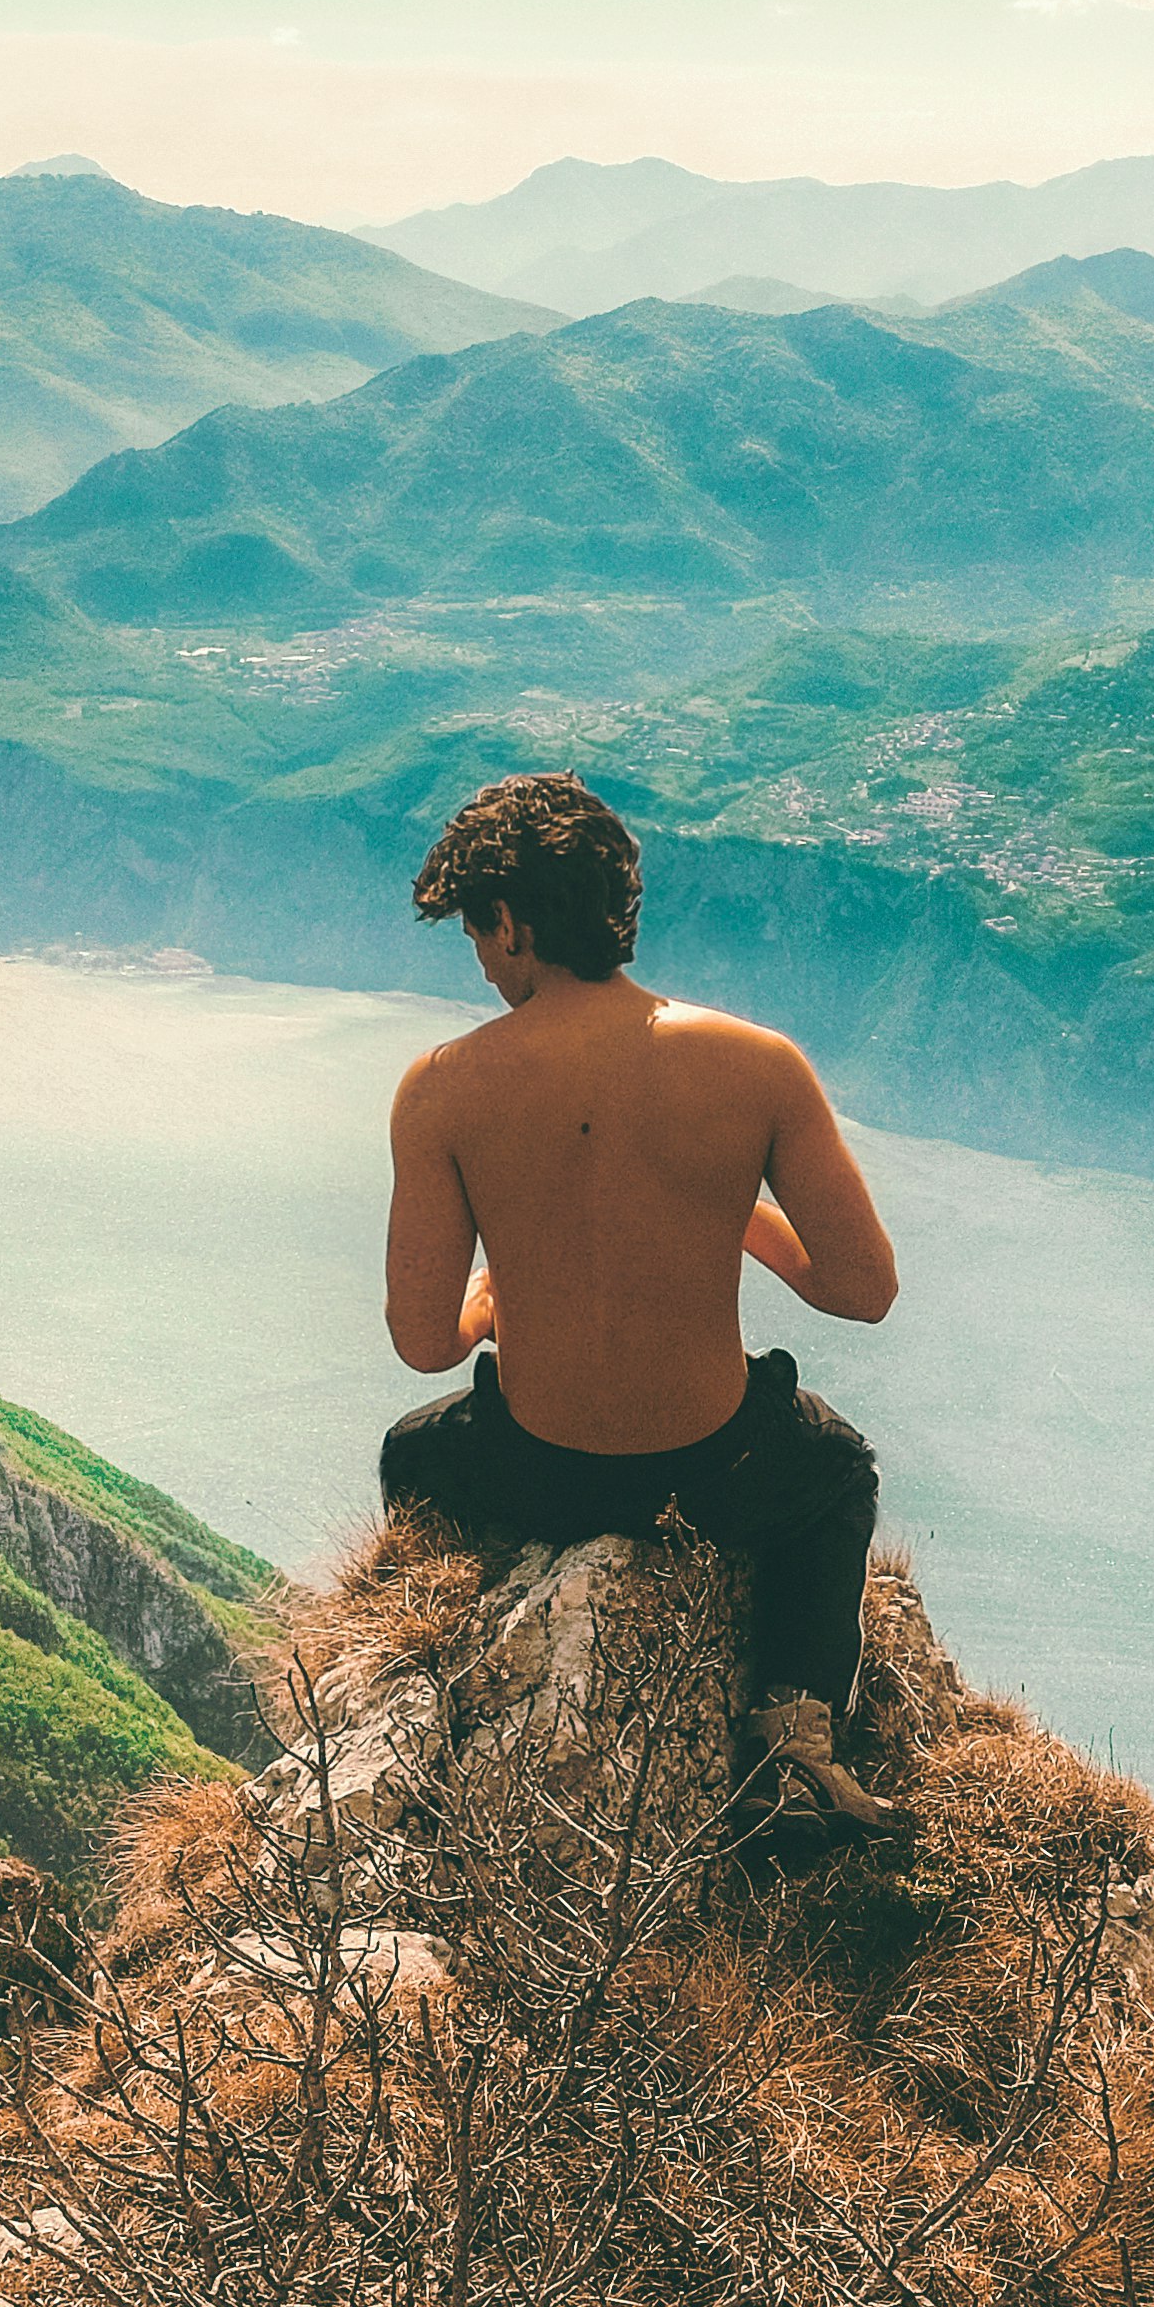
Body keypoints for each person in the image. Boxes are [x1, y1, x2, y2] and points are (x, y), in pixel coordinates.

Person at [376, 771, 914, 1844]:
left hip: (539, 1475)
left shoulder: (441, 1088)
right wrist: (737, 1213)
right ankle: (794, 1741)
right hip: (717, 1473)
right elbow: (863, 1290)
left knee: (413, 1450)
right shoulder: (757, 1066)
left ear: (517, 925)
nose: (481, 963)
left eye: (479, 934)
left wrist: (492, 1301)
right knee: (837, 1474)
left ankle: (468, 1659)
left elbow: (424, 1343)